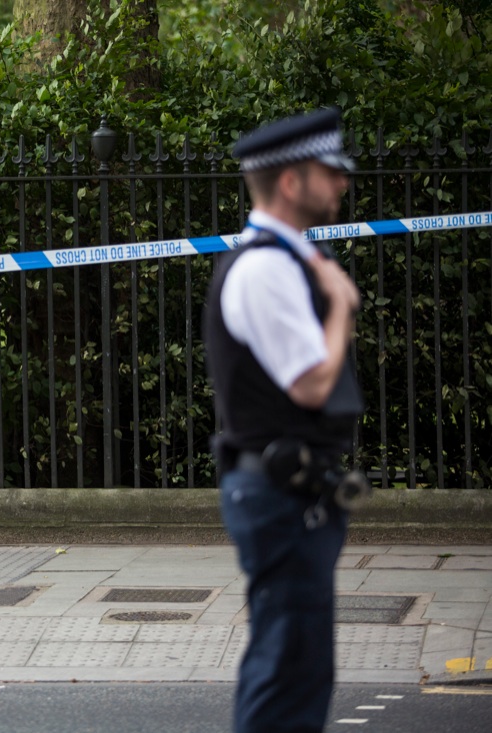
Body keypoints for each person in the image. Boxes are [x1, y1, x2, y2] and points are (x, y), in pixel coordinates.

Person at [203, 108, 365, 733]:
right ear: (293, 182)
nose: (342, 185)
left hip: (292, 490)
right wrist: (342, 307)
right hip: (278, 493)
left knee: (297, 670)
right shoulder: (266, 267)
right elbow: (311, 381)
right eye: (331, 172)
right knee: (285, 675)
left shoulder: (288, 259)